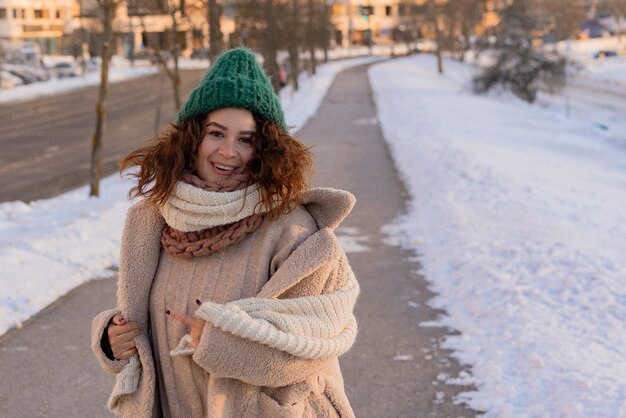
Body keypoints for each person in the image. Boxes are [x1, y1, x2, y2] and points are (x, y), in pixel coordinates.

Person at [91, 48, 359, 418]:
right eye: (216, 133)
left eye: (246, 139)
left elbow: (315, 341)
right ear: (193, 137)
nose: (228, 152)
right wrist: (112, 339)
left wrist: (222, 341)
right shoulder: (154, 220)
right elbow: (144, 321)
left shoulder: (291, 228)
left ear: (266, 148)